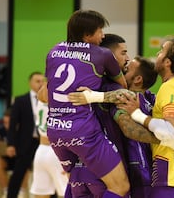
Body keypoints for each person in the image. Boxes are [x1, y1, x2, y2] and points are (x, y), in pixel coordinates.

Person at [46, 10, 129, 198]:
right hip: (83, 131)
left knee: (76, 183)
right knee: (120, 186)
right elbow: (122, 85)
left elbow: (45, 92)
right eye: (99, 30)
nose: (103, 35)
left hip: (55, 130)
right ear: (86, 35)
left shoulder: (53, 51)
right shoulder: (102, 54)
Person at [116, 37, 174, 197]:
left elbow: (170, 132)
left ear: (167, 62)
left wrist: (137, 114)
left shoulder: (169, 88)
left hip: (173, 178)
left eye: (161, 51)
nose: (157, 54)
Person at [6, 71, 45, 198]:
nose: (40, 83)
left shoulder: (48, 100)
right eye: (37, 81)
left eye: (42, 81)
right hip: (25, 142)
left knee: (46, 172)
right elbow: (13, 125)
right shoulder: (20, 100)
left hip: (43, 143)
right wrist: (10, 144)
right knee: (18, 173)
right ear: (30, 83)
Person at [30, 83, 69, 198]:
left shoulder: (41, 96)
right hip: (57, 152)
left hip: (41, 151)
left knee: (41, 194)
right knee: (67, 193)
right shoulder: (62, 98)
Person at [0, 108, 29, 198]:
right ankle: (6, 191)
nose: (6, 125)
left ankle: (21, 192)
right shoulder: (0, 129)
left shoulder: (24, 130)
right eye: (5, 122)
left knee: (25, 164)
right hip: (6, 158)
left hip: (20, 158)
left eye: (9, 123)